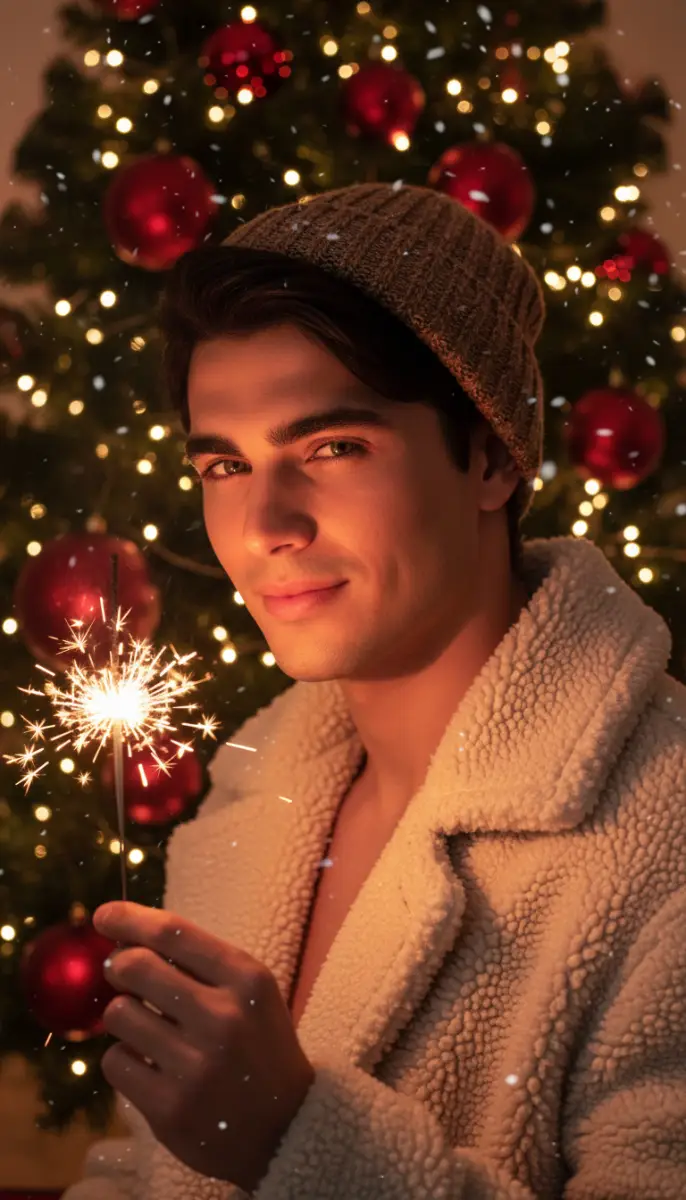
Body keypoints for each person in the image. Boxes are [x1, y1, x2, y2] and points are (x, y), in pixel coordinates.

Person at [64, 183, 686, 1200]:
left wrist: (295, 1144)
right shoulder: (242, 814)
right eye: (224, 463)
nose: (267, 523)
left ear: (489, 454)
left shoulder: (658, 836)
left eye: (330, 448)